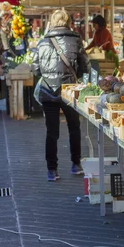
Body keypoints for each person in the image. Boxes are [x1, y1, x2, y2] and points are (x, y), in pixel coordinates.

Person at [33, 10, 90, 181]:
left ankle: (52, 169)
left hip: (48, 91)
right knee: (74, 127)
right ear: (68, 22)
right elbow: (85, 66)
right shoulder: (75, 40)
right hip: (69, 91)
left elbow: (35, 69)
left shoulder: (42, 42)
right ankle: (75, 164)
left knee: (52, 131)